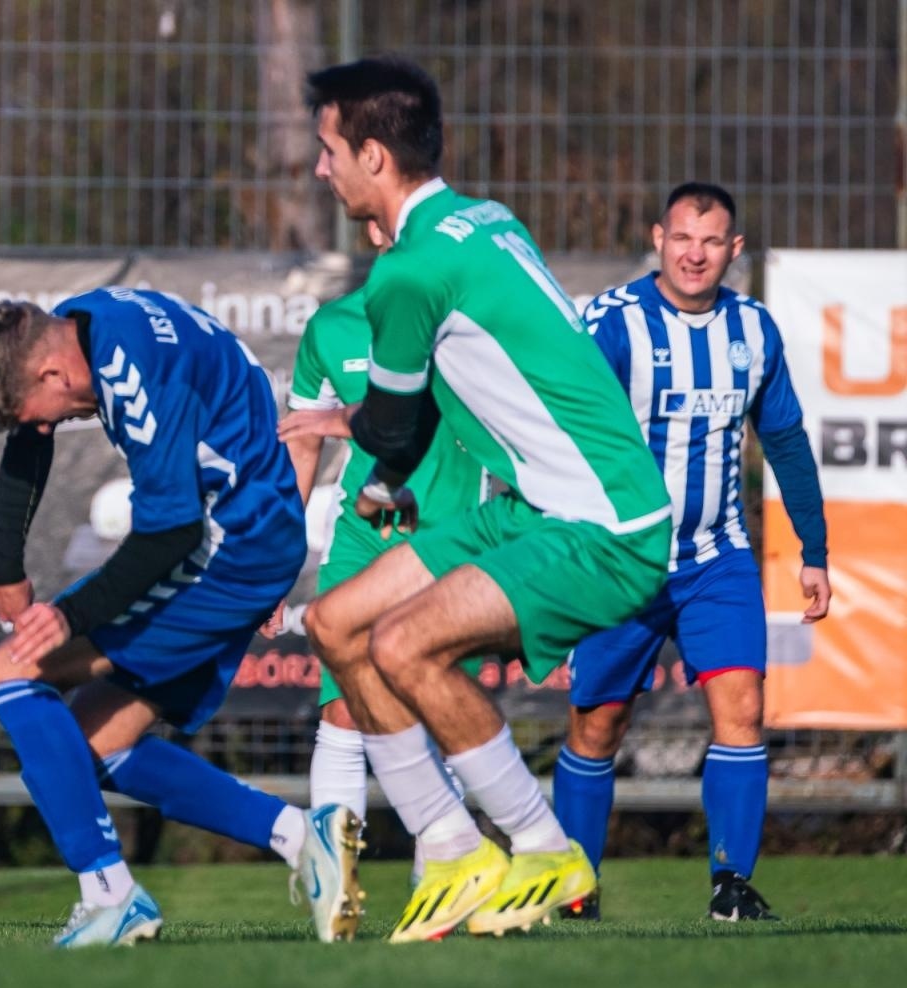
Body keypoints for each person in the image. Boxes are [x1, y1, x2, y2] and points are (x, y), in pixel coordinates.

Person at [301, 55, 673, 941]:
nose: (322, 170)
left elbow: (391, 425)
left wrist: (335, 423)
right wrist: (385, 462)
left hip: (602, 524)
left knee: (401, 643)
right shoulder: (486, 221)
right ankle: (450, 843)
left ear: (375, 157)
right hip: (539, 507)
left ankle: (541, 847)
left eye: (329, 150)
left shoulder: (409, 274)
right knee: (333, 622)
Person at [0, 288, 354, 948]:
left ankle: (111, 896)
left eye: (37, 409)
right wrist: (4, 564)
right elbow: (34, 434)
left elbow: (169, 532)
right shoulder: (88, 322)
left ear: (54, 374)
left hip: (227, 546)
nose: (43, 423)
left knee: (9, 670)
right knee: (93, 741)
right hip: (249, 535)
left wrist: (69, 614)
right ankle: (302, 837)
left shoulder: (132, 366)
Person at [554, 182, 830, 922]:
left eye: (711, 241)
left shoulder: (754, 330)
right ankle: (575, 887)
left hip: (718, 556)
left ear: (733, 250)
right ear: (658, 239)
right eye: (682, 238)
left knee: (742, 707)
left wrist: (814, 548)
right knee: (597, 725)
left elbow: (785, 440)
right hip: (621, 560)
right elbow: (561, 435)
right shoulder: (612, 325)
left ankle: (730, 886)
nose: (695, 253)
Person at [277, 218, 485, 919]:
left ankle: (445, 882)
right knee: (342, 704)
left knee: (439, 703)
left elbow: (433, 409)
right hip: (362, 542)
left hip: (450, 533)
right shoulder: (329, 329)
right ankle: (332, 885)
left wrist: (346, 419)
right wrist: (277, 558)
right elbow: (302, 444)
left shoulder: (462, 320)